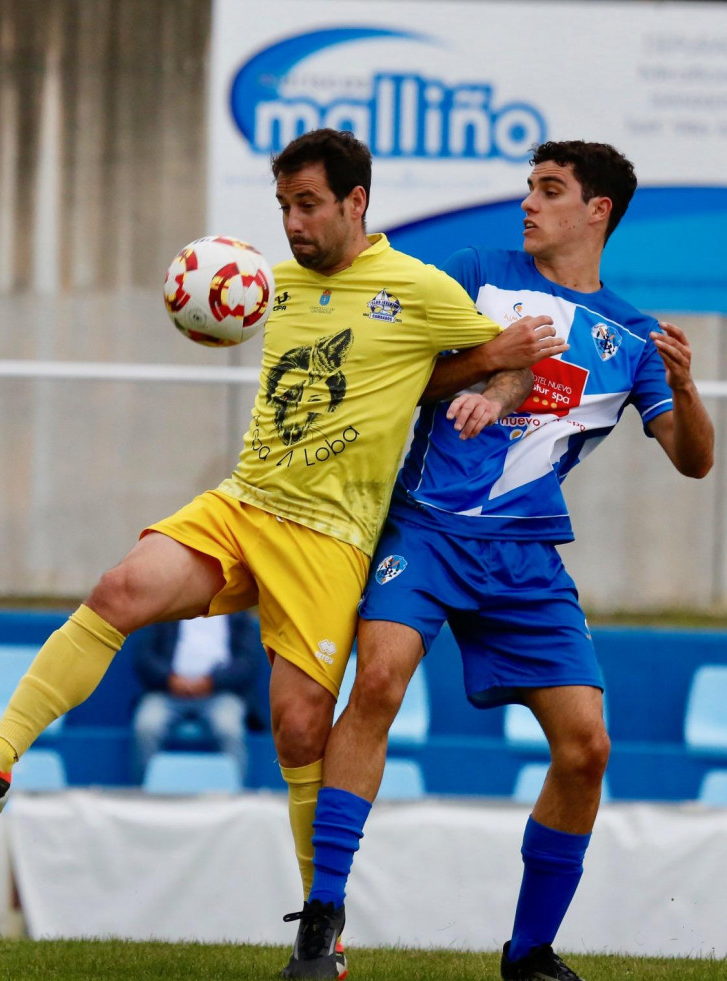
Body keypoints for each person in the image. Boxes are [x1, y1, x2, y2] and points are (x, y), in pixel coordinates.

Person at [0, 129, 560, 972]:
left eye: (307, 206)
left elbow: (500, 362)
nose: (293, 225)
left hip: (330, 540)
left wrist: (500, 380)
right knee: (121, 587)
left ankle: (320, 934)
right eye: (282, 208)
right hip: (243, 501)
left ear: (354, 202)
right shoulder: (270, 285)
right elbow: (405, 370)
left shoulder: (419, 288)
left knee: (298, 728)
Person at [284, 141, 715, 981]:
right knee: (377, 681)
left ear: (597, 211)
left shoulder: (631, 335)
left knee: (586, 744)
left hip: (526, 557)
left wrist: (689, 389)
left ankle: (529, 953)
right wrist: (482, 370)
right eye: (527, 187)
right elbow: (395, 373)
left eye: (549, 190)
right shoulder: (475, 271)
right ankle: (321, 920)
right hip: (425, 527)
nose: (528, 203)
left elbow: (692, 459)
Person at [131, 611, 261, 783]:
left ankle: (235, 801)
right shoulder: (166, 609)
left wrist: (212, 682)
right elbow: (145, 657)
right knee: (146, 726)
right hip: (167, 693)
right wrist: (169, 679)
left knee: (229, 729)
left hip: (220, 694)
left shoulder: (238, 615)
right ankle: (143, 797)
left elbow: (247, 663)